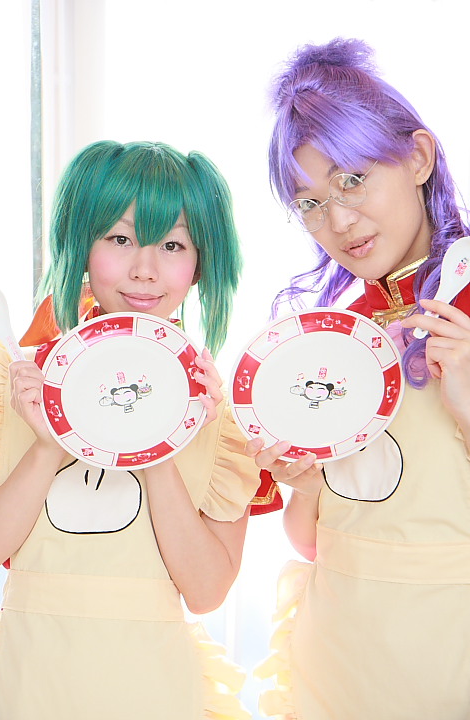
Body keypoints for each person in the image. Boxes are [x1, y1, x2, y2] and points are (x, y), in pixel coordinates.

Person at [0, 140, 261, 720]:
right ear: (81, 245)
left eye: (172, 245)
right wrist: (46, 448)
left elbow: (207, 592)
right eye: (119, 239)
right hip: (25, 684)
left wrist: (159, 444)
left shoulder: (222, 418)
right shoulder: (11, 388)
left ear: (199, 264)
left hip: (154, 691)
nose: (145, 269)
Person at [246, 38, 470, 719]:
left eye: (351, 180)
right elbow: (320, 541)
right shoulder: (335, 341)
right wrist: (306, 480)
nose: (337, 222)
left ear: (418, 158)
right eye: (309, 203)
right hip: (337, 656)